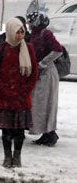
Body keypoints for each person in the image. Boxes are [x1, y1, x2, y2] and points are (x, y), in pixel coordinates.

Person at [0, 18, 38, 168]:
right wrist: (2, 87)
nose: (20, 35)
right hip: (6, 97)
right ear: (10, 32)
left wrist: (25, 90)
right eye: (17, 32)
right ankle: (7, 156)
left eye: (22, 31)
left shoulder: (28, 48)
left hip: (22, 98)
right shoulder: (1, 48)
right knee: (6, 130)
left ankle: (17, 156)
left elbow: (34, 72)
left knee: (19, 131)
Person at [28, 12, 63, 146]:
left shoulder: (45, 33)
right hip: (40, 73)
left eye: (30, 21)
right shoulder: (35, 34)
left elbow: (57, 50)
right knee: (40, 104)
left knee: (47, 103)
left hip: (47, 73)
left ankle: (50, 134)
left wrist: (43, 63)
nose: (28, 24)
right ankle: (46, 133)